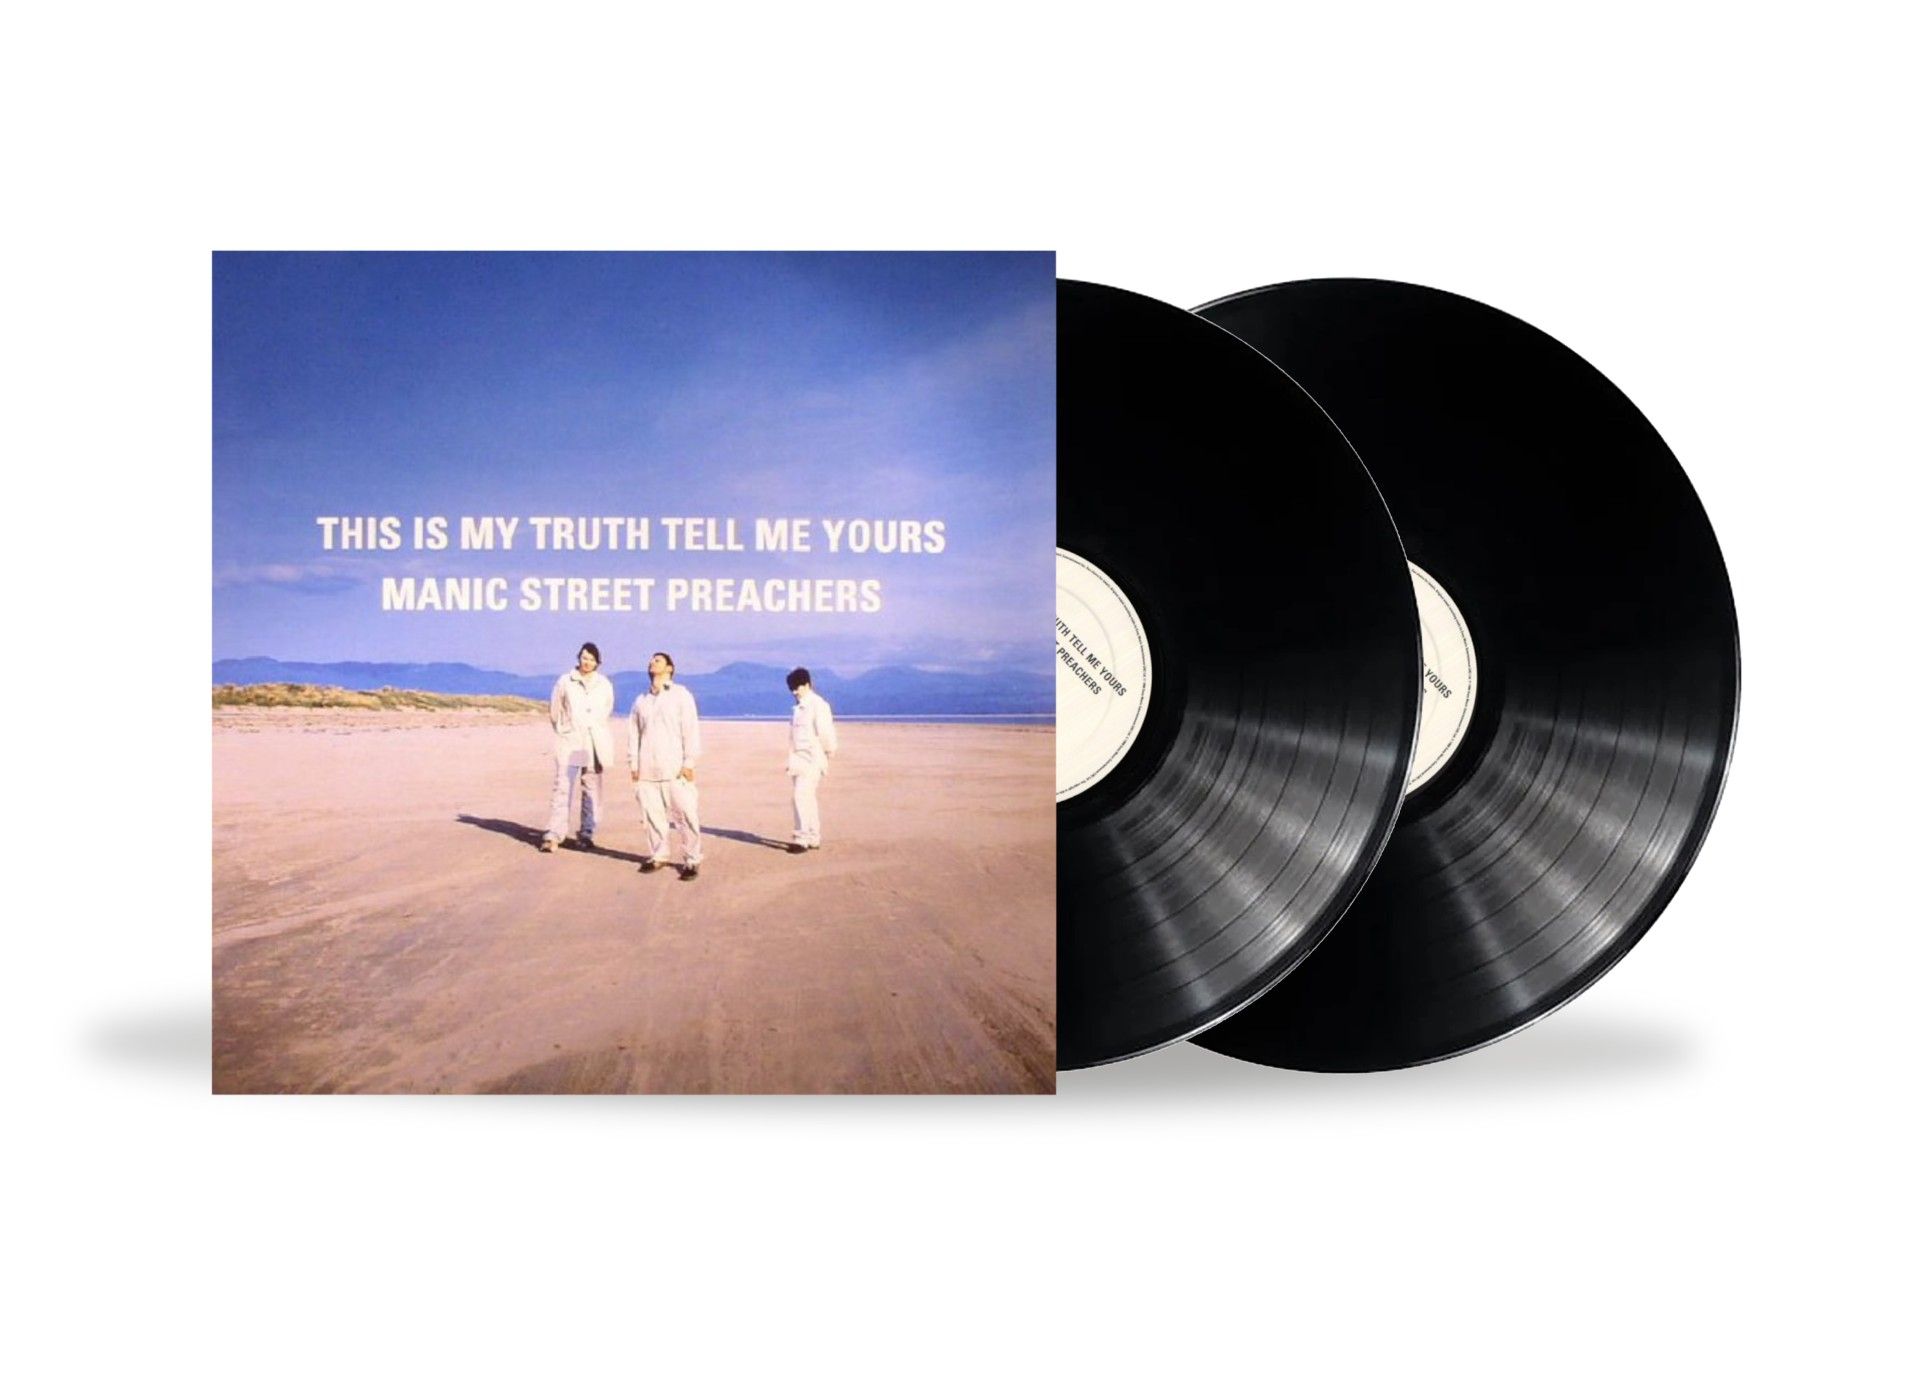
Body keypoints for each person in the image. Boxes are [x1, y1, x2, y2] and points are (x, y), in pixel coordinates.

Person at [629, 651, 703, 880]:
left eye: (658, 660)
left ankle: (692, 859)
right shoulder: (641, 700)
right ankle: (658, 855)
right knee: (652, 816)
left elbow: (690, 729)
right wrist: (633, 763)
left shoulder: (681, 695)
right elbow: (634, 734)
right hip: (647, 767)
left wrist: (689, 762)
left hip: (674, 767)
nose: (652, 662)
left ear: (670, 668)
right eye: (651, 659)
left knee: (686, 815)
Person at [543, 642, 615, 853]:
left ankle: (586, 834)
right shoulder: (566, 681)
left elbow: (606, 709)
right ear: (579, 658)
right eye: (584, 657)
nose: (587, 662)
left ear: (597, 662)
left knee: (591, 789)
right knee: (563, 786)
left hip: (594, 743)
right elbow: (555, 711)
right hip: (571, 742)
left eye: (592, 659)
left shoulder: (604, 684)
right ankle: (554, 834)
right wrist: (565, 730)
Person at [785, 667, 838, 854]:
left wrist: (829, 751)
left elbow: (826, 732)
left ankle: (801, 838)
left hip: (813, 760)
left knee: (800, 796)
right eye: (792, 688)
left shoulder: (818, 705)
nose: (794, 692)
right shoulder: (797, 708)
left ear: (807, 685)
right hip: (798, 760)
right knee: (808, 799)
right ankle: (814, 837)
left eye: (797, 688)